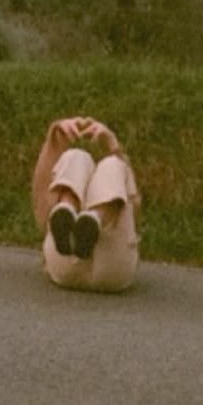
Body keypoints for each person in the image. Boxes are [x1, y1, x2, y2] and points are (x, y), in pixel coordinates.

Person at [32, 116, 140, 292]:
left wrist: (53, 142)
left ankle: (67, 206)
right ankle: (96, 217)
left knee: (76, 157)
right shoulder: (114, 172)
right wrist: (114, 148)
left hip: (63, 264)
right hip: (114, 269)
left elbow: (41, 208)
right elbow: (135, 210)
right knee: (114, 165)